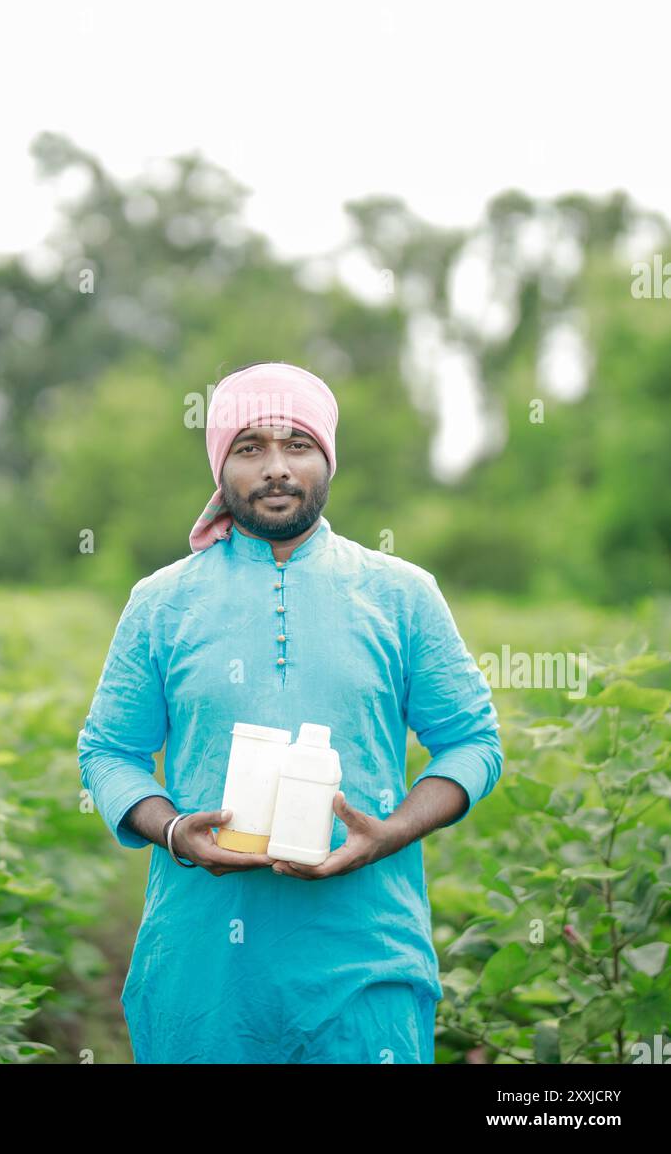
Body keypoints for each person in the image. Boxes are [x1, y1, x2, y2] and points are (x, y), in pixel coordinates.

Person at [77, 360, 504, 1063]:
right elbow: (108, 751)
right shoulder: (162, 602)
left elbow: (472, 743)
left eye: (297, 445)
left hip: (368, 959)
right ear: (221, 467)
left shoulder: (401, 595)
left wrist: (389, 832)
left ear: (326, 458)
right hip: (202, 971)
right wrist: (178, 830)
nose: (276, 467)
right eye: (250, 448)